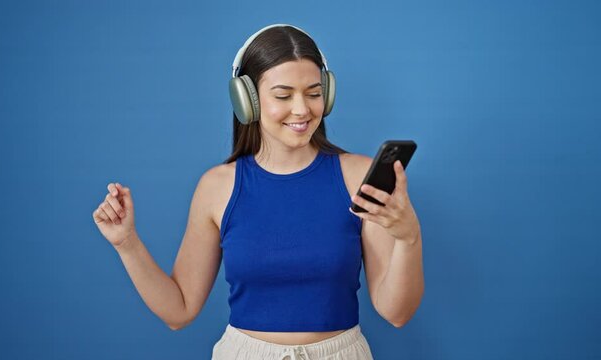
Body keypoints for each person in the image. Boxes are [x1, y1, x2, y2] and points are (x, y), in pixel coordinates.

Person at [92, 23, 424, 360]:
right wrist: (127, 244)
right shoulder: (216, 187)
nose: (302, 110)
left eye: (313, 93)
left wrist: (408, 237)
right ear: (247, 99)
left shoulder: (358, 177)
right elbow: (179, 311)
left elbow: (397, 313)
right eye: (283, 95)